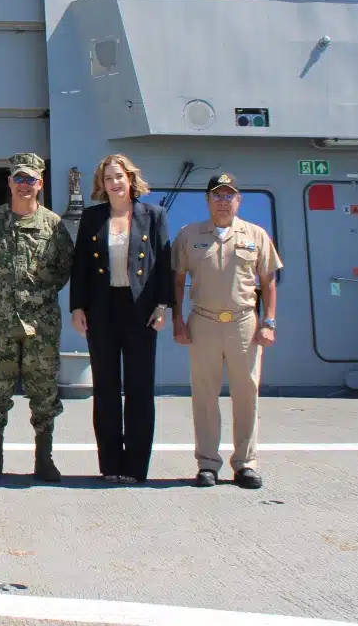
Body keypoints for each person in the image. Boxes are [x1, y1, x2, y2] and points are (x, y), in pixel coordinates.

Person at [0, 152, 75, 482]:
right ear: (10, 182)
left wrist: (36, 298)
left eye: (31, 180)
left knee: (44, 392)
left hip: (41, 325)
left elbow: (64, 268)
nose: (25, 185)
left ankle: (44, 459)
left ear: (40, 184)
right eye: (19, 179)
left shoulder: (53, 226)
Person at [171, 172, 282, 490]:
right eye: (217, 195)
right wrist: (178, 319)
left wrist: (269, 321)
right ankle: (207, 464)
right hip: (203, 322)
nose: (223, 200)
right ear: (207, 200)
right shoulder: (189, 235)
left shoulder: (256, 235)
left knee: (246, 393)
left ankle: (246, 464)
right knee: (204, 395)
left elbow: (268, 282)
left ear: (238, 200)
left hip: (244, 322)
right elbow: (177, 281)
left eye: (228, 195)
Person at [68, 154, 172, 484]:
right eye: (108, 177)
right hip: (102, 309)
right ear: (102, 184)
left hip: (140, 309)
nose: (115, 182)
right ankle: (111, 464)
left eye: (119, 176)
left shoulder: (153, 215)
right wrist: (77, 307)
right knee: (106, 388)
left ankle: (135, 467)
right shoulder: (92, 217)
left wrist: (163, 305)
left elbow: (164, 263)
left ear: (130, 179)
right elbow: (80, 265)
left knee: (140, 388)